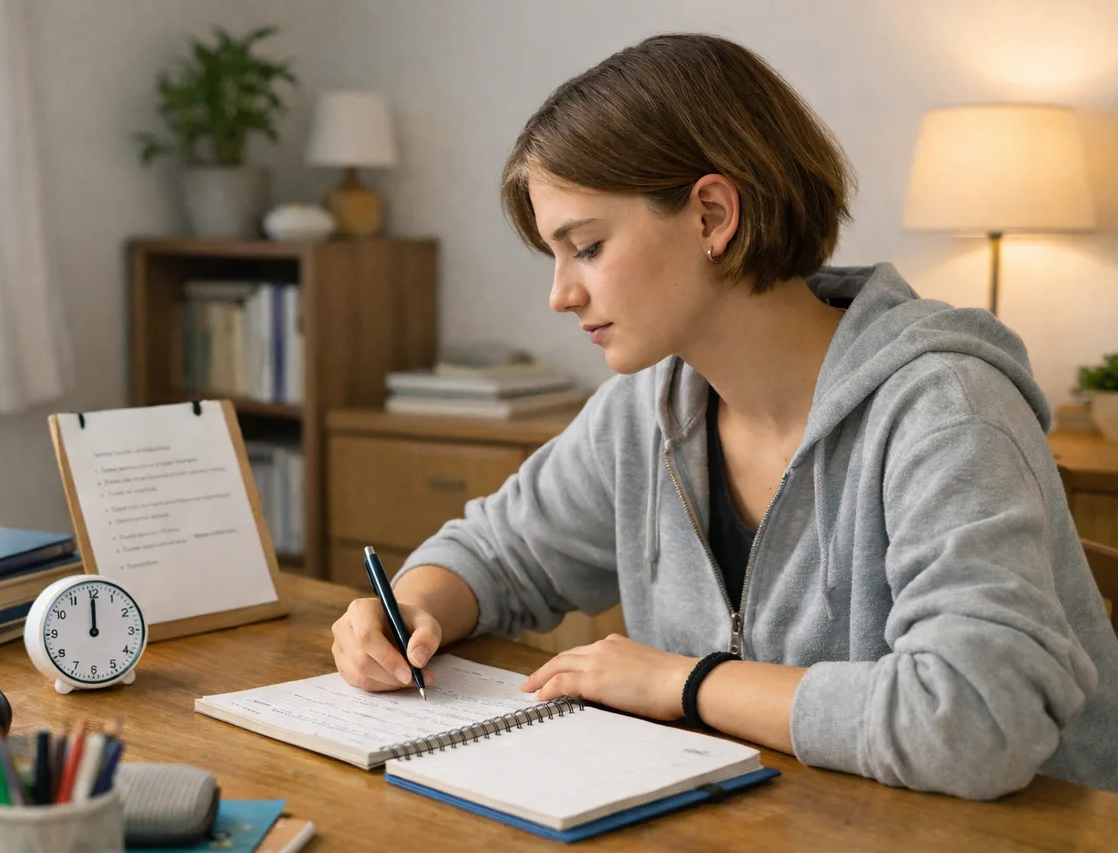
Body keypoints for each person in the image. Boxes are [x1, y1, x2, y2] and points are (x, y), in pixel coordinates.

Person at [329, 33, 1118, 798]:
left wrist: (685, 683)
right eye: (555, 256)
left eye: (588, 247)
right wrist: (412, 607)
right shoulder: (644, 409)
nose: (560, 294)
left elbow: (978, 717)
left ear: (711, 215)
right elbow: (500, 553)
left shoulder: (948, 411)